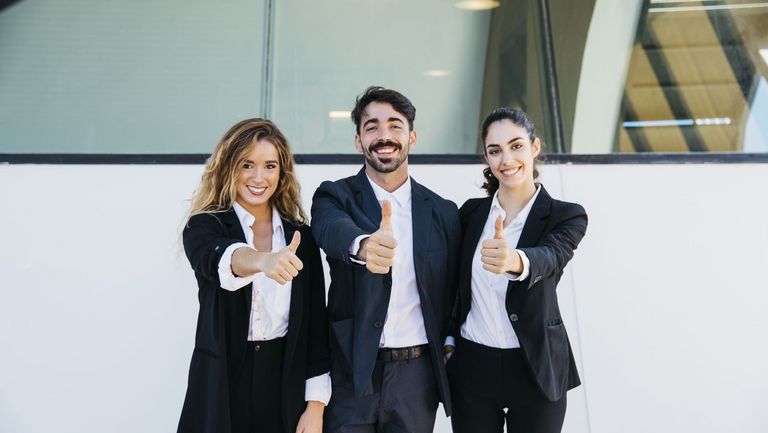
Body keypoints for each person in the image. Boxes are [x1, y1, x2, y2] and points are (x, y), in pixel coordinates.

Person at [310, 86, 460, 433]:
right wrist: (363, 246)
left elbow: (454, 286)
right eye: (372, 127)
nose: (384, 136)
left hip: (417, 378)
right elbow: (330, 229)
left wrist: (450, 341)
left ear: (412, 137)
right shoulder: (335, 195)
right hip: (350, 373)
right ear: (358, 141)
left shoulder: (443, 212)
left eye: (395, 125)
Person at [177, 118, 330, 433]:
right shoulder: (204, 225)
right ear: (229, 168)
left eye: (270, 166)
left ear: (282, 173)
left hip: (284, 383)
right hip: (222, 381)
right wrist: (263, 261)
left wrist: (315, 407)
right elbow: (221, 259)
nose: (259, 177)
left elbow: (316, 325)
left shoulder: (300, 236)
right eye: (247, 165)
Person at [446, 108, 588, 433]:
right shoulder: (470, 214)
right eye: (495, 150)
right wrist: (449, 340)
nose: (506, 159)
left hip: (536, 367)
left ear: (534, 147)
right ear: (486, 157)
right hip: (473, 366)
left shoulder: (566, 216)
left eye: (516, 146)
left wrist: (516, 261)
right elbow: (452, 285)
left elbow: (552, 256)